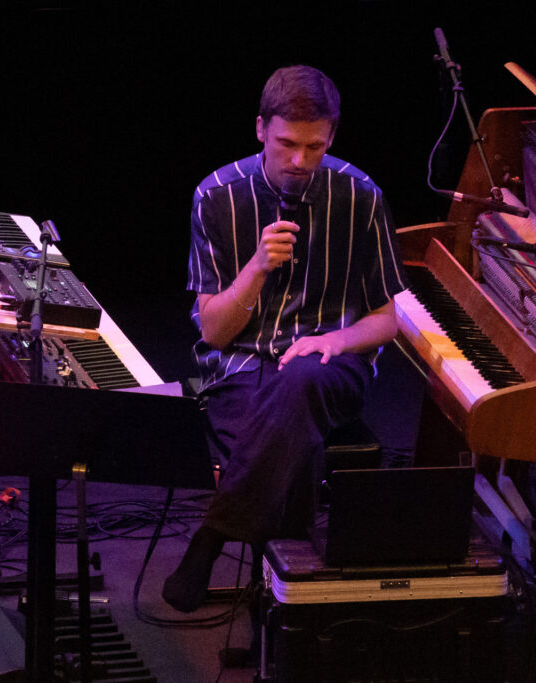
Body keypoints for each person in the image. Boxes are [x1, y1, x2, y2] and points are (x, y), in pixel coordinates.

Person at [163, 65, 407, 613]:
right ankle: (286, 609)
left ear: (332, 137)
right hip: (241, 366)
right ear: (260, 129)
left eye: (314, 147)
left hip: (329, 367)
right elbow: (214, 332)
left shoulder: (361, 196)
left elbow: (386, 320)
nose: (299, 160)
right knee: (294, 440)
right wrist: (255, 268)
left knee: (300, 379)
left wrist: (337, 342)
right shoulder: (216, 196)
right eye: (287, 144)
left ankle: (213, 536)